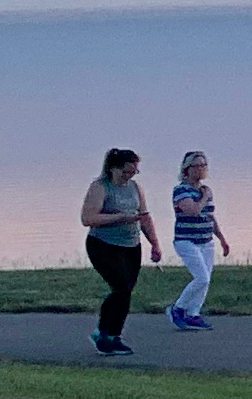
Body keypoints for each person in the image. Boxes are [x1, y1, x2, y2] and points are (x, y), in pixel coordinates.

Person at [78, 146, 159, 355]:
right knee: (121, 287)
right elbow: (88, 219)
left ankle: (112, 335)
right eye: (125, 171)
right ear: (113, 168)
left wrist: (154, 243)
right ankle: (105, 334)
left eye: (134, 171)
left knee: (125, 292)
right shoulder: (100, 187)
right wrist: (120, 217)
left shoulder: (135, 188)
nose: (129, 176)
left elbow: (144, 216)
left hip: (131, 245)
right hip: (103, 245)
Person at [166, 151, 230, 329]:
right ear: (187, 169)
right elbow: (192, 210)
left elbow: (209, 216)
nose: (201, 169)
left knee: (206, 279)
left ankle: (193, 313)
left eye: (204, 165)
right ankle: (177, 308)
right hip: (186, 240)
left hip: (206, 240)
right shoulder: (181, 190)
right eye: (197, 166)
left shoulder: (205, 190)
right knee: (201, 278)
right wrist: (204, 197)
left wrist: (222, 239)